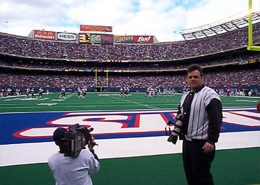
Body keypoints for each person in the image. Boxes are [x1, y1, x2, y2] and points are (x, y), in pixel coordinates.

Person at [168, 64, 222, 185]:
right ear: (187, 79)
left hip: (202, 143)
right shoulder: (185, 95)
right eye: (190, 77)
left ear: (202, 78)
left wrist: (212, 140)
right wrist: (178, 118)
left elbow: (216, 118)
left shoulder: (210, 95)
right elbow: (180, 111)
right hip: (187, 142)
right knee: (190, 174)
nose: (193, 79)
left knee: (202, 177)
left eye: (196, 77)